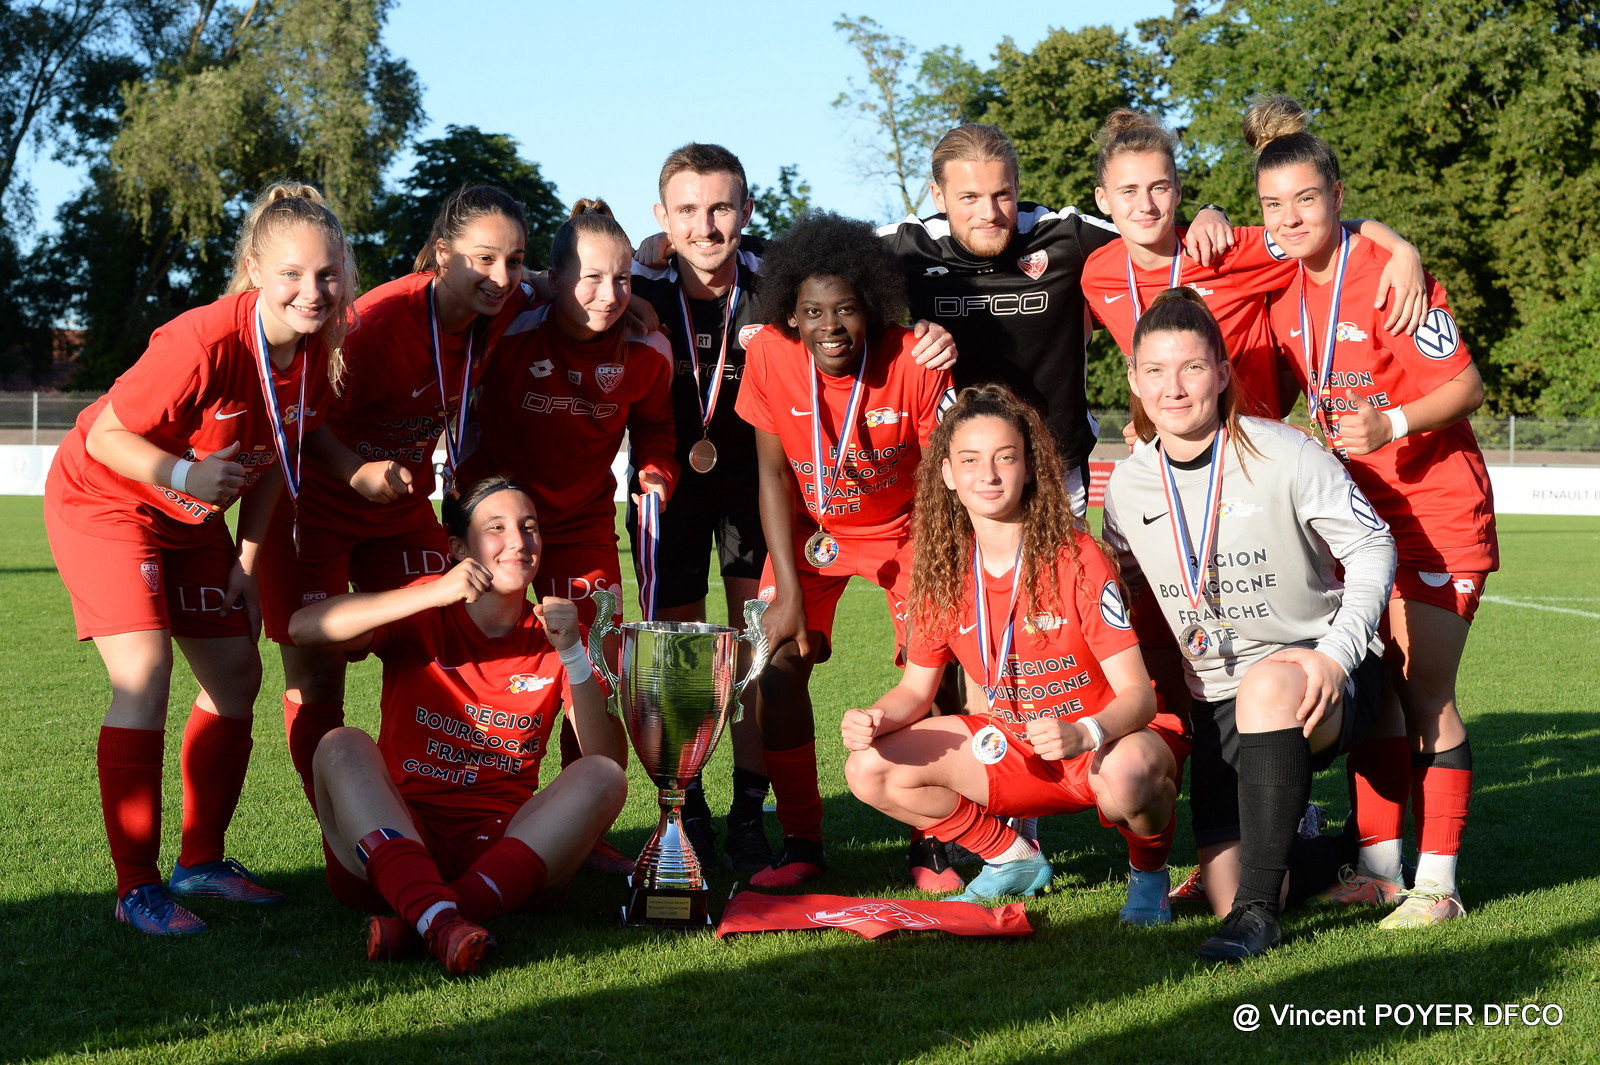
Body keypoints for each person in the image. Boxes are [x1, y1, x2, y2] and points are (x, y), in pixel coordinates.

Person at [42, 182, 386, 934]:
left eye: (328, 274)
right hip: (108, 502)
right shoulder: (200, 340)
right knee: (145, 673)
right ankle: (136, 886)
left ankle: (200, 861)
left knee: (236, 673)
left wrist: (248, 558)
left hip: (191, 521)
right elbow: (102, 435)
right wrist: (184, 476)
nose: (312, 289)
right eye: (293, 273)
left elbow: (276, 460)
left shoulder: (316, 352)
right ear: (256, 271)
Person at [1248, 94, 1497, 928]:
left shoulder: (1389, 274)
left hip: (1436, 510)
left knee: (1424, 690)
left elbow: (1467, 384)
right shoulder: (1283, 294)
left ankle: (1441, 883)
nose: (1290, 218)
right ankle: (1380, 868)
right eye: (1273, 205)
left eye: (1306, 200)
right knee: (1380, 689)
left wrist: (1390, 421)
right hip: (1359, 518)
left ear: (1338, 195)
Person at [1102, 288, 1397, 959]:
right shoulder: (1127, 485)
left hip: (1315, 676)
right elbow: (1122, 590)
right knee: (1228, 883)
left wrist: (1334, 655)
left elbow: (1374, 544)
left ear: (1223, 371)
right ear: (1134, 381)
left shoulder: (1283, 453)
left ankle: (1258, 919)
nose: (1172, 387)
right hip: (1216, 698)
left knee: (1268, 686)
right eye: (1155, 371)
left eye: (1192, 368)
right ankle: (1315, 839)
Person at [841, 384, 1186, 920]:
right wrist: (875, 717)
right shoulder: (938, 573)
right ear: (948, 476)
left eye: (1006, 457)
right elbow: (916, 690)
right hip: (1012, 749)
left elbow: (1138, 696)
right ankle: (1009, 856)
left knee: (1131, 777)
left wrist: (1085, 732)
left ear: (1029, 467)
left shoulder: (1075, 557)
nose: (990, 475)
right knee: (869, 767)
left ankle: (1148, 877)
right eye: (970, 460)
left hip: (1105, 742)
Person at [261, 184, 531, 814]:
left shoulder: (507, 303)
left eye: (515, 261)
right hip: (313, 507)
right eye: (485, 259)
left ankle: (428, 807)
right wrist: (355, 470)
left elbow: (572, 281)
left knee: (430, 646)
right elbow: (297, 414)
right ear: (442, 254)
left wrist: (642, 295)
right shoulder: (378, 324)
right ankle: (345, 833)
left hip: (402, 511)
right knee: (320, 667)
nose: (501, 277)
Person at [288, 477, 627, 976]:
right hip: (395, 833)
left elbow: (607, 761)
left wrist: (573, 655)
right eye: (496, 528)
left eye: (529, 528)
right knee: (340, 745)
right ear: (459, 548)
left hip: (502, 849)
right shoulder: (427, 609)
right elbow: (303, 629)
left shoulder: (561, 636)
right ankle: (442, 915)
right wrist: (431, 593)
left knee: (604, 778)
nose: (518, 541)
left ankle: (429, 918)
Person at [734, 210, 955, 887]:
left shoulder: (912, 359)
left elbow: (939, 482)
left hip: (908, 529)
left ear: (874, 309)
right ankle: (802, 842)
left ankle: (934, 839)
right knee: (776, 662)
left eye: (848, 309)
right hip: (811, 534)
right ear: (790, 317)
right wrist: (789, 595)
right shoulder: (770, 354)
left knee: (935, 673)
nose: (831, 326)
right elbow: (770, 474)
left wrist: (938, 573)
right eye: (813, 311)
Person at [459, 198, 675, 874]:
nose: (608, 295)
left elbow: (658, 430)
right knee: (492, 669)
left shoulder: (648, 347)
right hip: (498, 526)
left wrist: (657, 471)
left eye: (622, 279)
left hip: (583, 527)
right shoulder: (509, 323)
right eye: (588, 278)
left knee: (594, 674)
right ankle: (473, 813)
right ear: (550, 280)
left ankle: (583, 830)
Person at [878, 122, 1233, 513]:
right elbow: (818, 299)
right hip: (960, 475)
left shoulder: (1066, 235)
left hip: (1058, 470)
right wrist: (903, 336)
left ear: (1017, 185)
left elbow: (1152, 232)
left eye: (1002, 194)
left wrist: (1210, 212)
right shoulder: (906, 248)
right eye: (969, 198)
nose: (989, 213)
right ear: (938, 196)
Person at [1082, 108, 1428, 420]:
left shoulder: (1223, 251)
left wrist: (1401, 249)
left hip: (1252, 445)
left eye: (1158, 188)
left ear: (1178, 191)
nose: (1145, 205)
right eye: (1128, 191)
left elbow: (1316, 228)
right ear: (1103, 199)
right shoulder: (1098, 275)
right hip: (1172, 444)